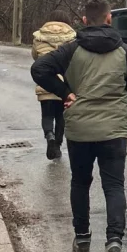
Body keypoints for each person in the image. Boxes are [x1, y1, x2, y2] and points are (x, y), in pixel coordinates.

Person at [30, 0, 127, 252]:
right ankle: (114, 244)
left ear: (84, 21)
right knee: (114, 186)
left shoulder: (71, 50)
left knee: (80, 183)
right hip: (113, 130)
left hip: (79, 129)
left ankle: (82, 238)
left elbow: (39, 69)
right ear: (109, 19)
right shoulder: (124, 52)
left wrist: (65, 93)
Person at [31, 9, 76, 160]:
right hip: (64, 83)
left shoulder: (39, 36)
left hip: (46, 81)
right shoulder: (72, 37)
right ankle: (57, 145)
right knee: (61, 116)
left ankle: (49, 135)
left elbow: (35, 56)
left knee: (47, 114)